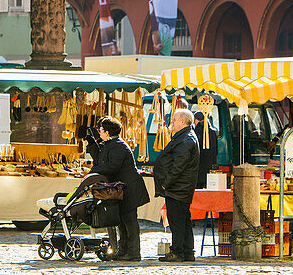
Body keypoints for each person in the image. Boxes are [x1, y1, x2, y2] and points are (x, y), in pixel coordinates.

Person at [90, 116, 149, 262]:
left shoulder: (118, 145)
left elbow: (112, 166)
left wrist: (93, 170)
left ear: (108, 132)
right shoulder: (111, 144)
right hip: (121, 189)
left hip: (129, 189)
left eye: (101, 130)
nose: (99, 132)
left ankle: (133, 253)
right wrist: (92, 145)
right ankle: (123, 252)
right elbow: (101, 159)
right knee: (122, 222)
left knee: (129, 222)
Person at [153, 109, 199, 263]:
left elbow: (178, 165)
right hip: (180, 187)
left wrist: (166, 183)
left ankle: (178, 252)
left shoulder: (186, 139)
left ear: (183, 122)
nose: (171, 122)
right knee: (183, 220)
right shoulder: (184, 137)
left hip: (178, 188)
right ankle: (187, 252)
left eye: (174, 119)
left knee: (177, 221)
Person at [193, 111, 219, 190]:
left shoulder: (197, 131)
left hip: (199, 165)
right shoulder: (213, 132)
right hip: (209, 165)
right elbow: (216, 150)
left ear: (196, 120)